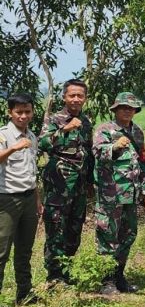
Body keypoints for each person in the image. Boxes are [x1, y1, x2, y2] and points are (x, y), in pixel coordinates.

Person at [92, 92, 145, 295]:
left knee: (128, 234)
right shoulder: (105, 129)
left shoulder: (137, 131)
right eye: (123, 107)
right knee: (108, 235)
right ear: (115, 109)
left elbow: (141, 161)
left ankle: (119, 276)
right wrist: (113, 147)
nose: (127, 110)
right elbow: (97, 153)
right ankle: (106, 281)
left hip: (130, 195)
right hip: (110, 194)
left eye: (131, 108)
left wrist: (144, 190)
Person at [38, 78, 93, 284]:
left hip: (79, 184)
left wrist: (89, 183)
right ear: (64, 97)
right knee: (56, 228)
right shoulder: (54, 119)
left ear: (85, 98)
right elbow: (43, 143)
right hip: (59, 183)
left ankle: (66, 272)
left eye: (80, 96)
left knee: (74, 229)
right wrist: (66, 129)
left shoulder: (86, 121)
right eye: (72, 95)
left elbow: (89, 153)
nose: (76, 99)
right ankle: (54, 276)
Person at [0, 93, 41, 304]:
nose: (23, 116)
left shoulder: (32, 136)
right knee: (2, 252)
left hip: (28, 199)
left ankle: (25, 294)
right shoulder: (4, 135)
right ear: (10, 112)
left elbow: (31, 172)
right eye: (19, 112)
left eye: (27, 112)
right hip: (7, 200)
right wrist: (13, 148)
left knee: (24, 250)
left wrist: (37, 200)